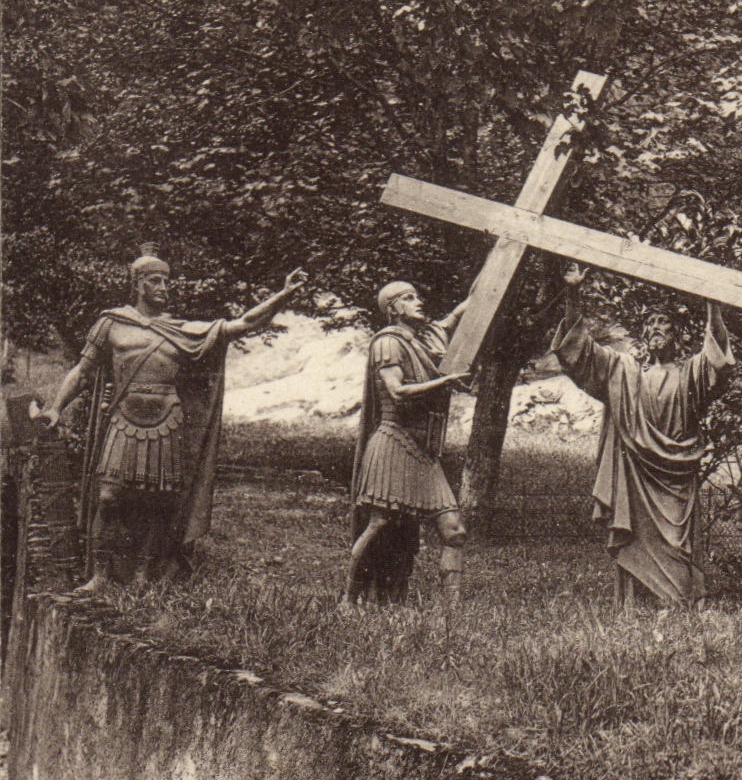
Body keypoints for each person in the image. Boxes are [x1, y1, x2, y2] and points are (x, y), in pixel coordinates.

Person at [38, 252, 307, 590]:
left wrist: (283, 295)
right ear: (138, 284)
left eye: (166, 280)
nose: (164, 287)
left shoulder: (181, 330)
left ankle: (142, 575)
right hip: (124, 419)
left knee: (158, 501)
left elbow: (244, 324)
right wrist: (55, 408)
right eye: (156, 280)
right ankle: (100, 576)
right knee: (108, 497)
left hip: (167, 420)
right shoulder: (111, 323)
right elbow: (82, 372)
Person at [553, 264, 733, 606]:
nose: (655, 329)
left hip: (676, 481)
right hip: (635, 479)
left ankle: (679, 603)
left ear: (677, 335)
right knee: (634, 539)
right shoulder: (624, 370)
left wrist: (714, 306)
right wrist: (573, 293)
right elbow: (580, 353)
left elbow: (718, 364)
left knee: (678, 548)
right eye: (650, 324)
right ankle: (635, 609)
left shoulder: (688, 374)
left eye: (663, 324)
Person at [344, 281, 470, 606]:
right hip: (393, 442)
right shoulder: (387, 343)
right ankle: (348, 600)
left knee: (454, 530)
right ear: (393, 308)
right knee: (379, 524)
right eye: (408, 298)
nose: (419, 301)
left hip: (423, 451)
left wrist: (492, 282)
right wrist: (444, 382)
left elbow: (457, 315)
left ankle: (452, 615)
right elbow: (397, 391)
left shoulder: (425, 339)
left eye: (417, 295)